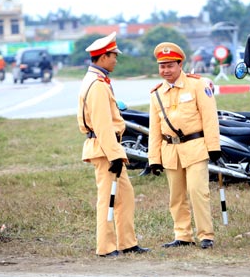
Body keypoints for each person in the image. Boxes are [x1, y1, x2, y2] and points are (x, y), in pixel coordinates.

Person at [77, 32, 150, 258]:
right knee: (107, 198)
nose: (116, 60)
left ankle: (127, 243)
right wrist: (115, 156)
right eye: (113, 55)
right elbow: (102, 124)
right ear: (103, 57)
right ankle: (106, 247)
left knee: (124, 197)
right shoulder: (97, 85)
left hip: (109, 148)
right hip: (105, 148)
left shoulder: (98, 80)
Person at [146, 42, 221, 250]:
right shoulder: (156, 93)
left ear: (180, 65)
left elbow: (209, 118)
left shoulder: (198, 85)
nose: (166, 70)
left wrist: (214, 146)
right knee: (176, 197)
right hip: (171, 151)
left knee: (198, 191)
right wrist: (154, 158)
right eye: (162, 66)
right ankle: (183, 236)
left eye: (170, 65)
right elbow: (155, 129)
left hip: (195, 146)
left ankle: (206, 235)